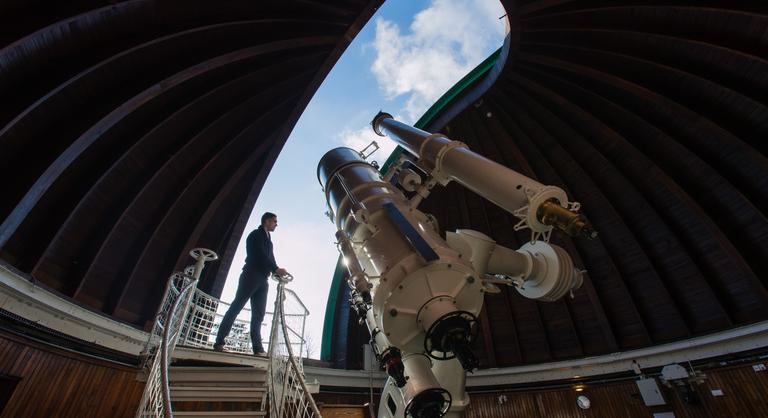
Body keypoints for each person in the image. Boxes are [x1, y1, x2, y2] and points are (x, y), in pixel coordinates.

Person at [214, 212, 288, 356]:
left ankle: (258, 348)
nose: (276, 224)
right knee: (237, 306)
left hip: (263, 280)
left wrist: (276, 271)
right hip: (251, 275)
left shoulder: (269, 241)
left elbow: (270, 259)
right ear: (267, 221)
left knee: (258, 315)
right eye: (274, 221)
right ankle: (219, 342)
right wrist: (275, 269)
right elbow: (259, 255)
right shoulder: (255, 235)